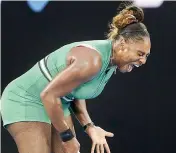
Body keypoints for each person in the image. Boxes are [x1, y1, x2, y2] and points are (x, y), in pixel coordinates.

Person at [1, 2, 151, 153]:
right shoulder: (93, 61)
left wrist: (89, 127)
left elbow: (75, 90)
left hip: (56, 103)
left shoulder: (111, 62)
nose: (143, 61)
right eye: (140, 54)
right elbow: (48, 94)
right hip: (26, 99)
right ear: (123, 44)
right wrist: (67, 137)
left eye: (146, 56)